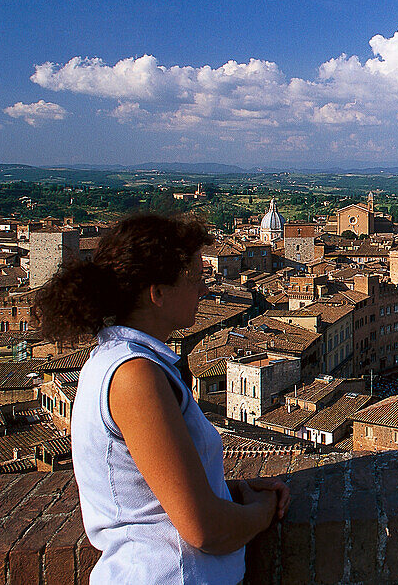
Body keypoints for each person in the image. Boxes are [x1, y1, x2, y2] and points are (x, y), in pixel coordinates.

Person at [34, 214, 290, 584]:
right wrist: (264, 511)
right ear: (158, 293)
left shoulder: (117, 361)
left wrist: (231, 491)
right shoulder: (134, 377)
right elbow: (205, 530)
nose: (204, 291)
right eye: (196, 280)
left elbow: (149, 497)